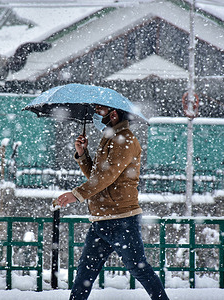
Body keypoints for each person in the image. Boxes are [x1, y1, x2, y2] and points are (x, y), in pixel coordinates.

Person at [55, 105, 169, 300]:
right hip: (101, 218)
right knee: (85, 273)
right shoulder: (109, 138)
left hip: (122, 219)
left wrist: (77, 194)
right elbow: (97, 177)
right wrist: (83, 154)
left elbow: (106, 176)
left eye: (100, 111)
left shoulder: (125, 140)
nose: (97, 115)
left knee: (139, 268)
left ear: (113, 114)